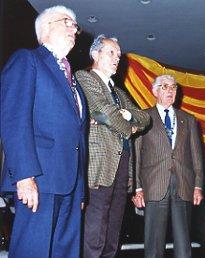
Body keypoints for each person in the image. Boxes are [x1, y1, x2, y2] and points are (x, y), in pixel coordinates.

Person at [0, 5, 87, 257]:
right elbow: (14, 120)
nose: (75, 29)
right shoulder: (27, 60)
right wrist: (24, 176)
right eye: (67, 22)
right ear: (46, 28)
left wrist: (80, 190)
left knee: (65, 252)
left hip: (70, 185)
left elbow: (78, 138)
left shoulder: (75, 82)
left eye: (75, 25)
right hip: (39, 179)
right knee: (32, 250)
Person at [75, 35, 150, 258]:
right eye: (111, 53)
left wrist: (126, 115)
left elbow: (144, 117)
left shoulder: (117, 92)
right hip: (99, 166)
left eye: (118, 54)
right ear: (95, 54)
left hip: (122, 166)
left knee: (112, 233)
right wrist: (129, 128)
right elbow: (102, 110)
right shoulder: (85, 78)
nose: (117, 58)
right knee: (95, 231)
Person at [132, 74, 204, 258]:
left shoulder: (188, 119)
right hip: (154, 184)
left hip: (184, 184)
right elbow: (136, 155)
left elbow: (197, 155)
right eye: (164, 87)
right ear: (154, 91)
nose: (170, 90)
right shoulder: (143, 117)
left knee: (183, 241)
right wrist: (137, 187)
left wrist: (198, 185)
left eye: (173, 87)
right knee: (154, 242)